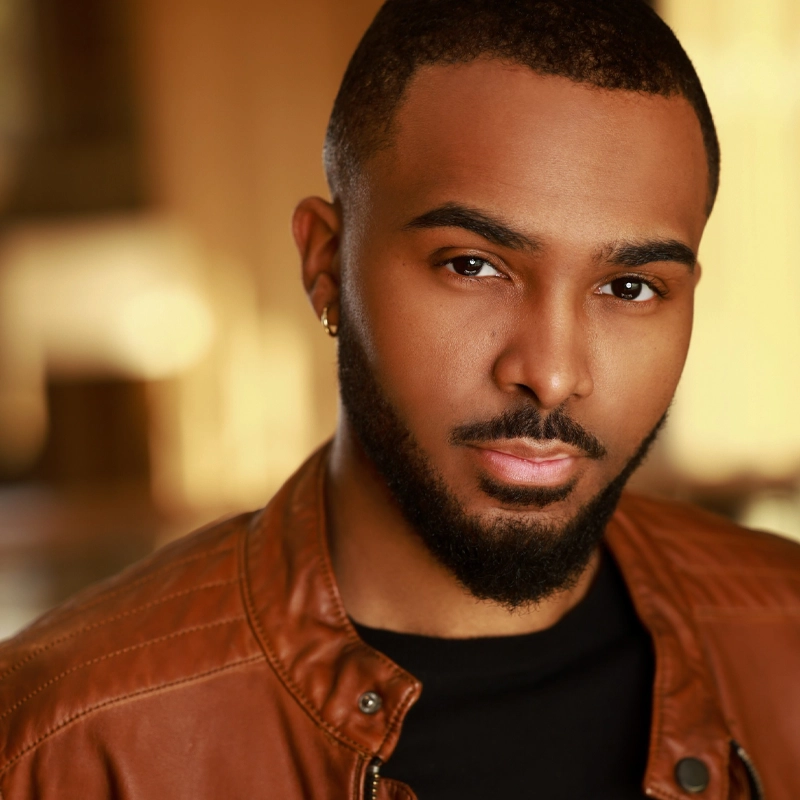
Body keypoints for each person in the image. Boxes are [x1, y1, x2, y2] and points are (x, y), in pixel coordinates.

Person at [1, 0, 799, 798]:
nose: (552, 374)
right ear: (326, 264)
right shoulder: (66, 743)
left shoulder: (786, 636)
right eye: (472, 266)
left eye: (629, 286)